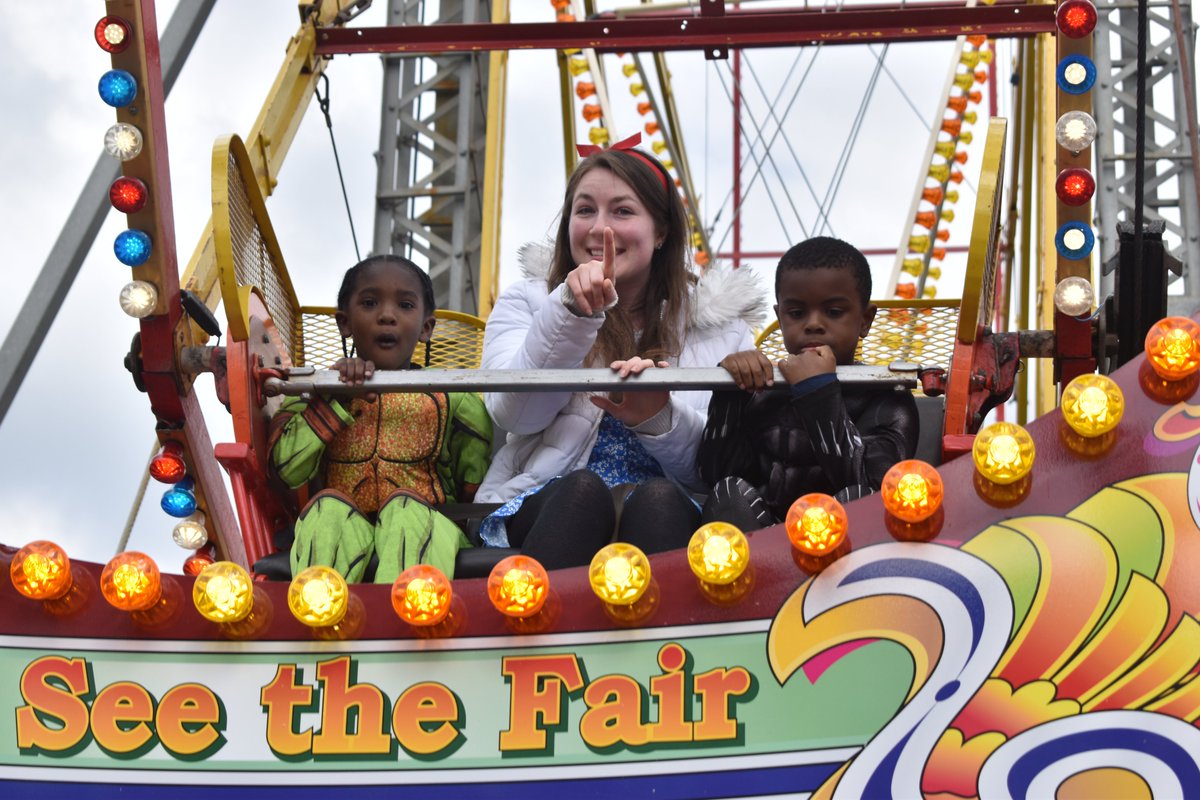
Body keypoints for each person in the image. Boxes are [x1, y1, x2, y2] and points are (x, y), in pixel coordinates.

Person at [476, 139, 764, 569]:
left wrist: (657, 417)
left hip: (674, 504)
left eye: (622, 211)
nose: (600, 229)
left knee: (657, 500)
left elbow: (719, 470)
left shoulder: (723, 328)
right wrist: (570, 313)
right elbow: (513, 414)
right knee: (583, 491)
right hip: (546, 497)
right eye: (585, 209)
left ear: (662, 231)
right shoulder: (530, 301)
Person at [269, 255, 493, 582]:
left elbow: (475, 480)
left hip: (428, 527)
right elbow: (285, 473)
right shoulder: (312, 390)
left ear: (426, 327)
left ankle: (407, 621)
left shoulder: (452, 393)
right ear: (344, 322)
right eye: (370, 303)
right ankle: (323, 620)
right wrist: (334, 401)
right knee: (327, 512)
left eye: (404, 305)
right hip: (341, 525)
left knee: (408, 514)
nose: (387, 316)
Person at [698, 236, 919, 530]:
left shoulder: (888, 398)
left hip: (845, 549)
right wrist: (731, 394)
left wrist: (818, 394)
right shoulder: (765, 392)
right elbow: (714, 476)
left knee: (859, 499)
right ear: (780, 317)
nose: (813, 323)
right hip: (765, 544)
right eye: (797, 313)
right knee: (730, 495)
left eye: (834, 312)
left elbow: (874, 492)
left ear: (865, 320)